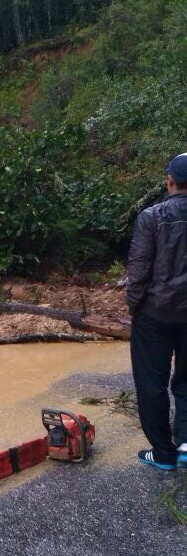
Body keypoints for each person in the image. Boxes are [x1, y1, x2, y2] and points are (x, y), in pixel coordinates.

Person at [127, 152, 187, 470]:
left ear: (170, 181)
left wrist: (134, 308)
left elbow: (139, 270)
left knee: (152, 383)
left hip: (155, 315)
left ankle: (164, 454)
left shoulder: (151, 217)